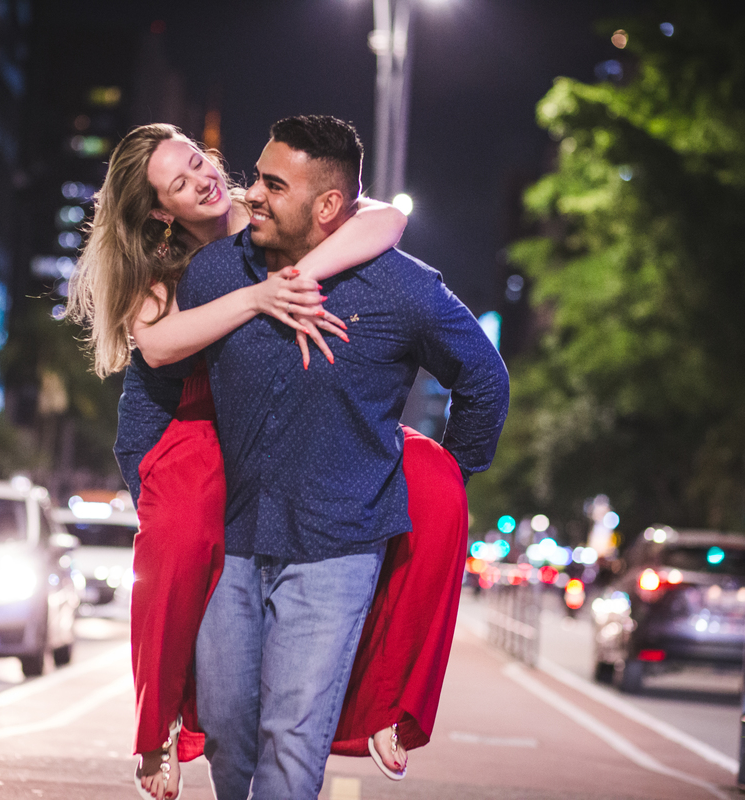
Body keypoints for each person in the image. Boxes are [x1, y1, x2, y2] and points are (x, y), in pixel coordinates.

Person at [66, 123, 478, 800]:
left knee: (433, 487)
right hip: (192, 422)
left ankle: (386, 702)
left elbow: (390, 216)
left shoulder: (261, 210)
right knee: (176, 542)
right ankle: (160, 724)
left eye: (198, 160)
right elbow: (162, 350)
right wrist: (259, 296)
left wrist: (299, 274)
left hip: (286, 420)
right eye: (180, 181)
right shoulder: (164, 261)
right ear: (162, 210)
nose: (204, 177)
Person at [166, 115, 509, 799]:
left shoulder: (402, 289)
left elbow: (485, 381)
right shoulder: (214, 275)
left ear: (328, 205)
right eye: (256, 177)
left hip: (338, 551)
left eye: (272, 185)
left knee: (292, 745)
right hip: (228, 546)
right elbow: (169, 390)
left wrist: (441, 480)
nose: (251, 195)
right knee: (230, 741)